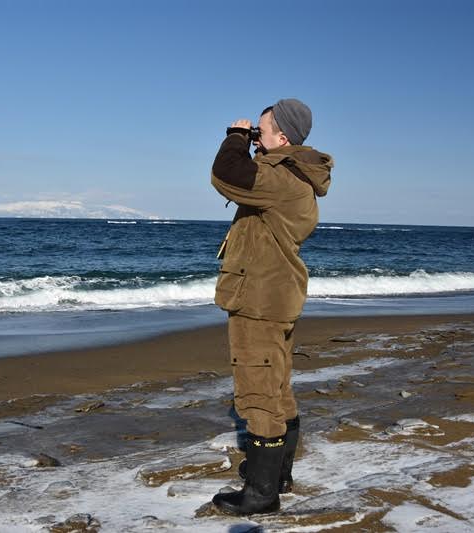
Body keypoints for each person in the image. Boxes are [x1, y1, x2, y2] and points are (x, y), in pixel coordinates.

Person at [209, 98, 333, 515]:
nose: (256, 139)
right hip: (275, 293)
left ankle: (262, 495)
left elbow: (226, 174)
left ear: (282, 138)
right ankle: (277, 475)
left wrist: (234, 137)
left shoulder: (280, 177)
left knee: (257, 390)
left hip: (259, 298)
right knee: (277, 384)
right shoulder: (292, 177)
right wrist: (249, 140)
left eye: (261, 132)